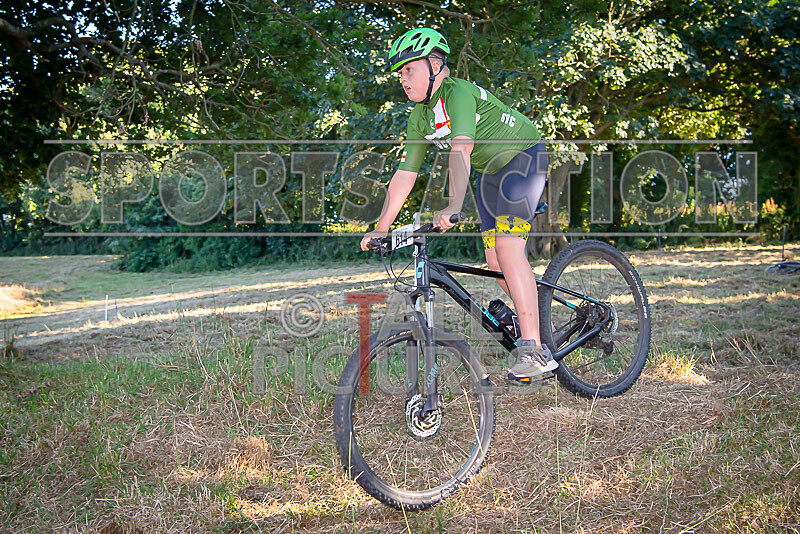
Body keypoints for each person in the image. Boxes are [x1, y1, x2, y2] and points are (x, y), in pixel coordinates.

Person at [359, 28, 557, 381]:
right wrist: (381, 226)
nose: (402, 79)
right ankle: (541, 325)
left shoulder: (459, 94)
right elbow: (405, 175)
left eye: (409, 70)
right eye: (399, 73)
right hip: (492, 173)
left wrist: (453, 204)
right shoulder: (419, 117)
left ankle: (533, 348)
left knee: (509, 250)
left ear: (435, 65)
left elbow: (461, 148)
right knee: (494, 259)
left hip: (523, 157)